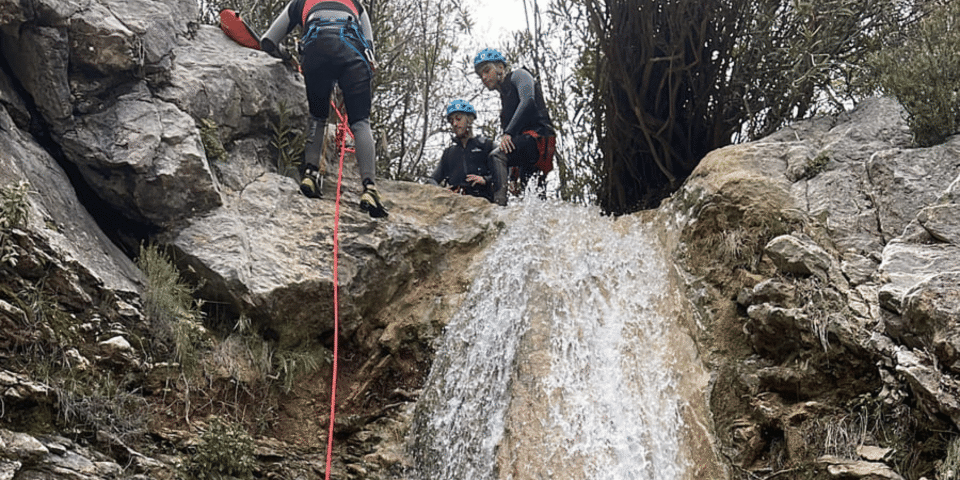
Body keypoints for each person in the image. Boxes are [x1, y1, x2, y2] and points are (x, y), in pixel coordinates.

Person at [260, 0, 388, 218]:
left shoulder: (299, 3)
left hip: (316, 51)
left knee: (317, 116)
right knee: (360, 122)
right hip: (352, 54)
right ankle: (369, 188)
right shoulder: (357, 5)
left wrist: (288, 56)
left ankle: (310, 174)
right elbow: (370, 50)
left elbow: (268, 41)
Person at [473, 48, 556, 206]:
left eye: (487, 70)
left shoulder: (518, 75)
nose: (484, 77)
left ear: (501, 67)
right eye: (480, 75)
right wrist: (512, 177)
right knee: (532, 198)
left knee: (496, 156)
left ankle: (499, 208)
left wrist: (508, 133)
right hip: (530, 146)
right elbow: (514, 144)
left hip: (538, 137)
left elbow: (528, 100)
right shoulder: (505, 105)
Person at [429, 99, 498, 203]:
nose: (455, 124)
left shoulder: (486, 145)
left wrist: (485, 180)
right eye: (451, 121)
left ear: (470, 119)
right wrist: (442, 191)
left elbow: (504, 171)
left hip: (484, 204)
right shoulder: (449, 153)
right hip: (456, 206)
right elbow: (431, 180)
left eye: (458, 118)